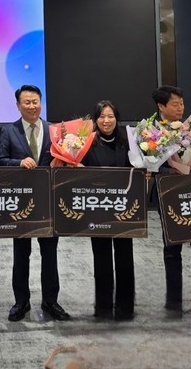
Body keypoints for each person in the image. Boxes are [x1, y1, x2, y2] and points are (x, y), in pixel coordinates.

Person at [0, 84, 70, 322]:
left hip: (48, 200)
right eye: (26, 102)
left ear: (41, 103)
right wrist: (18, 163)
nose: (31, 106)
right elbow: (0, 160)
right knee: (21, 254)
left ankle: (51, 301)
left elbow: (65, 159)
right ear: (18, 105)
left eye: (35, 101)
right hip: (21, 202)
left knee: (50, 254)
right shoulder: (9, 131)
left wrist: (63, 163)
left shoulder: (54, 130)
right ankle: (21, 301)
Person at [151, 85, 191, 315]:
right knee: (172, 247)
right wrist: (170, 171)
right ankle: (174, 299)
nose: (180, 108)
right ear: (161, 106)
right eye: (175, 104)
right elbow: (148, 165)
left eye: (182, 103)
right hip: (168, 192)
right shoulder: (150, 132)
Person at [81, 100, 135, 321]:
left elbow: (137, 169)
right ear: (96, 120)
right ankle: (103, 306)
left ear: (117, 118)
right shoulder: (86, 143)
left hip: (124, 209)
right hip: (98, 209)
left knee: (125, 258)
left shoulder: (128, 142)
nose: (106, 120)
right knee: (101, 258)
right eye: (102, 116)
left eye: (110, 116)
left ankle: (125, 306)